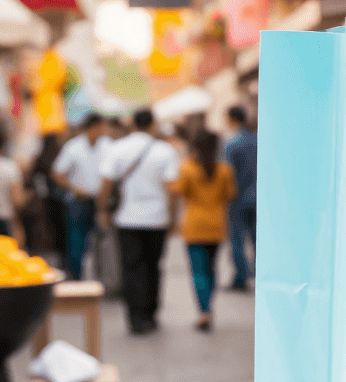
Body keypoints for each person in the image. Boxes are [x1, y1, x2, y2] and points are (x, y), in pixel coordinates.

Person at [97, 108, 180, 335]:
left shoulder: (117, 149)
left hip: (127, 219)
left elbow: (105, 184)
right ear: (153, 124)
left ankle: (136, 317)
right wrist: (173, 219)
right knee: (153, 266)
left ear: (133, 124)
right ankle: (151, 313)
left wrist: (102, 209)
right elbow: (171, 190)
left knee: (131, 267)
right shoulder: (165, 151)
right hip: (157, 219)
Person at [172, 129, 236, 331]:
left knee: (198, 271)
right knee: (211, 268)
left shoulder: (188, 168)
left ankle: (204, 310)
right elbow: (231, 195)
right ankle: (209, 306)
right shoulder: (225, 170)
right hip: (216, 224)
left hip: (194, 225)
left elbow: (179, 190)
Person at [50, 113, 110, 280]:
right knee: (77, 241)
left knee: (102, 243)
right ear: (91, 128)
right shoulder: (74, 146)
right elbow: (57, 173)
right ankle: (76, 276)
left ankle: (102, 279)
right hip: (79, 201)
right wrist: (74, 188)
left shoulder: (107, 145)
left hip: (100, 201)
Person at [224, 105, 257, 291]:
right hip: (259, 197)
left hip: (237, 198)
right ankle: (260, 274)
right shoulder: (258, 140)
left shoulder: (232, 144)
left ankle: (241, 277)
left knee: (237, 240)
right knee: (258, 240)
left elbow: (227, 174)